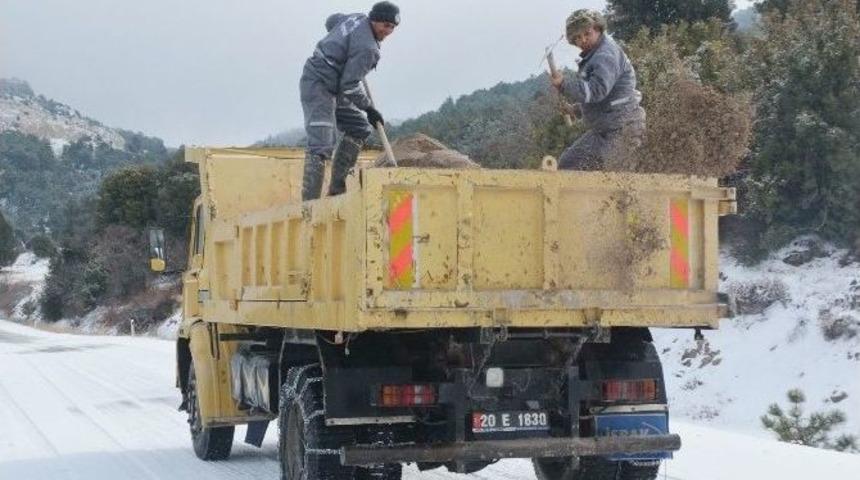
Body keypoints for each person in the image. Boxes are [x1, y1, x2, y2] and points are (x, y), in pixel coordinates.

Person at [300, 2, 400, 200]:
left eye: (392, 27)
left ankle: (336, 192)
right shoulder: (367, 48)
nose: (388, 31)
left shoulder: (356, 17)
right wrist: (369, 108)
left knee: (359, 128)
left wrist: (342, 42)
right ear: (374, 19)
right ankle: (309, 206)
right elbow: (350, 85)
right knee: (321, 143)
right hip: (318, 82)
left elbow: (331, 21)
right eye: (385, 25)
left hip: (336, 85)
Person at [550, 9, 646, 171]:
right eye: (577, 38)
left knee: (610, 178)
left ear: (598, 28)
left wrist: (563, 85)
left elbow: (596, 91)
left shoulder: (605, 55)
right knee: (568, 164)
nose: (583, 40)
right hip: (603, 132)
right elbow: (606, 99)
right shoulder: (593, 56)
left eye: (587, 33)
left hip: (623, 131)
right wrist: (576, 110)